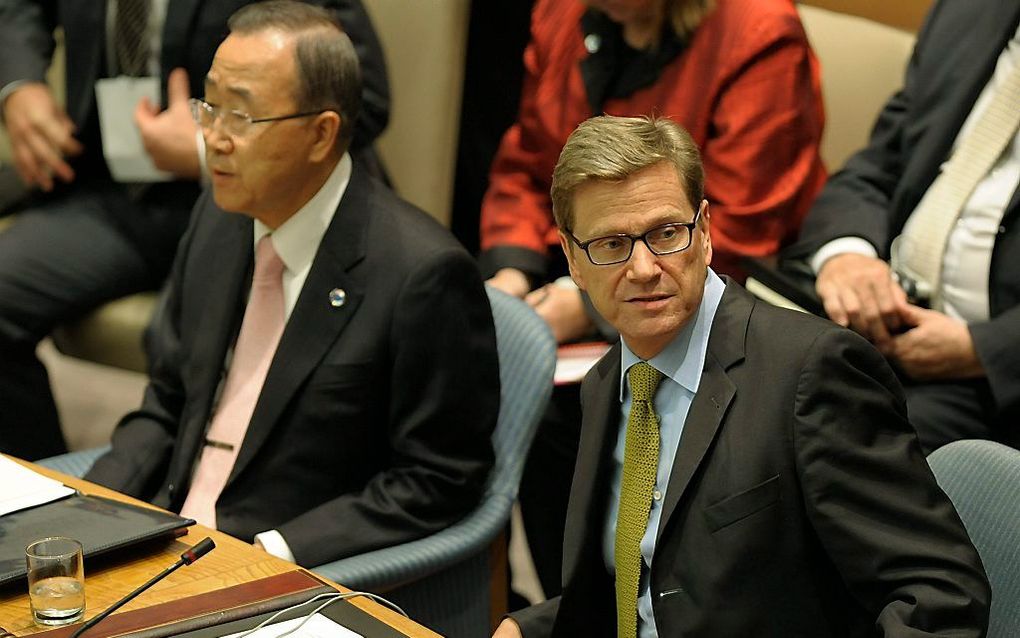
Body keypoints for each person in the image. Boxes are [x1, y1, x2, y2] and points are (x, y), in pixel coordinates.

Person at [494, 115, 989, 637]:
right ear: (573, 259)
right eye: (612, 245)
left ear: (704, 232)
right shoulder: (607, 384)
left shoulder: (812, 374)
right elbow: (645, 584)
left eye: (666, 234)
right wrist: (531, 628)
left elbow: (939, 596)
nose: (643, 268)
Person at [83, 1, 500, 568]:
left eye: (243, 117)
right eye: (210, 107)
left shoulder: (421, 276)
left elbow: (439, 477)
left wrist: (281, 551)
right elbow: (168, 400)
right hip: (165, 533)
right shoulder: (219, 216)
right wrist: (94, 508)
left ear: (321, 134)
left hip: (279, 566)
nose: (214, 140)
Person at [0, 0, 389, 460]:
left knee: (186, 353)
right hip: (112, 190)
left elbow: (363, 98)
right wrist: (17, 85)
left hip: (253, 206)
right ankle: (48, 495)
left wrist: (213, 149)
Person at [480, 0, 826, 343]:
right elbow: (529, 162)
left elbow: (738, 229)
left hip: (698, 291)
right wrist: (513, 273)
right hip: (581, 263)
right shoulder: (561, 9)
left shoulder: (759, 32)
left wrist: (588, 305)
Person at [788, 0, 1020, 453]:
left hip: (990, 382)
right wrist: (847, 254)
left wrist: (983, 349)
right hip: (876, 327)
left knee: (821, 451)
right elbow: (876, 166)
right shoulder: (969, 11)